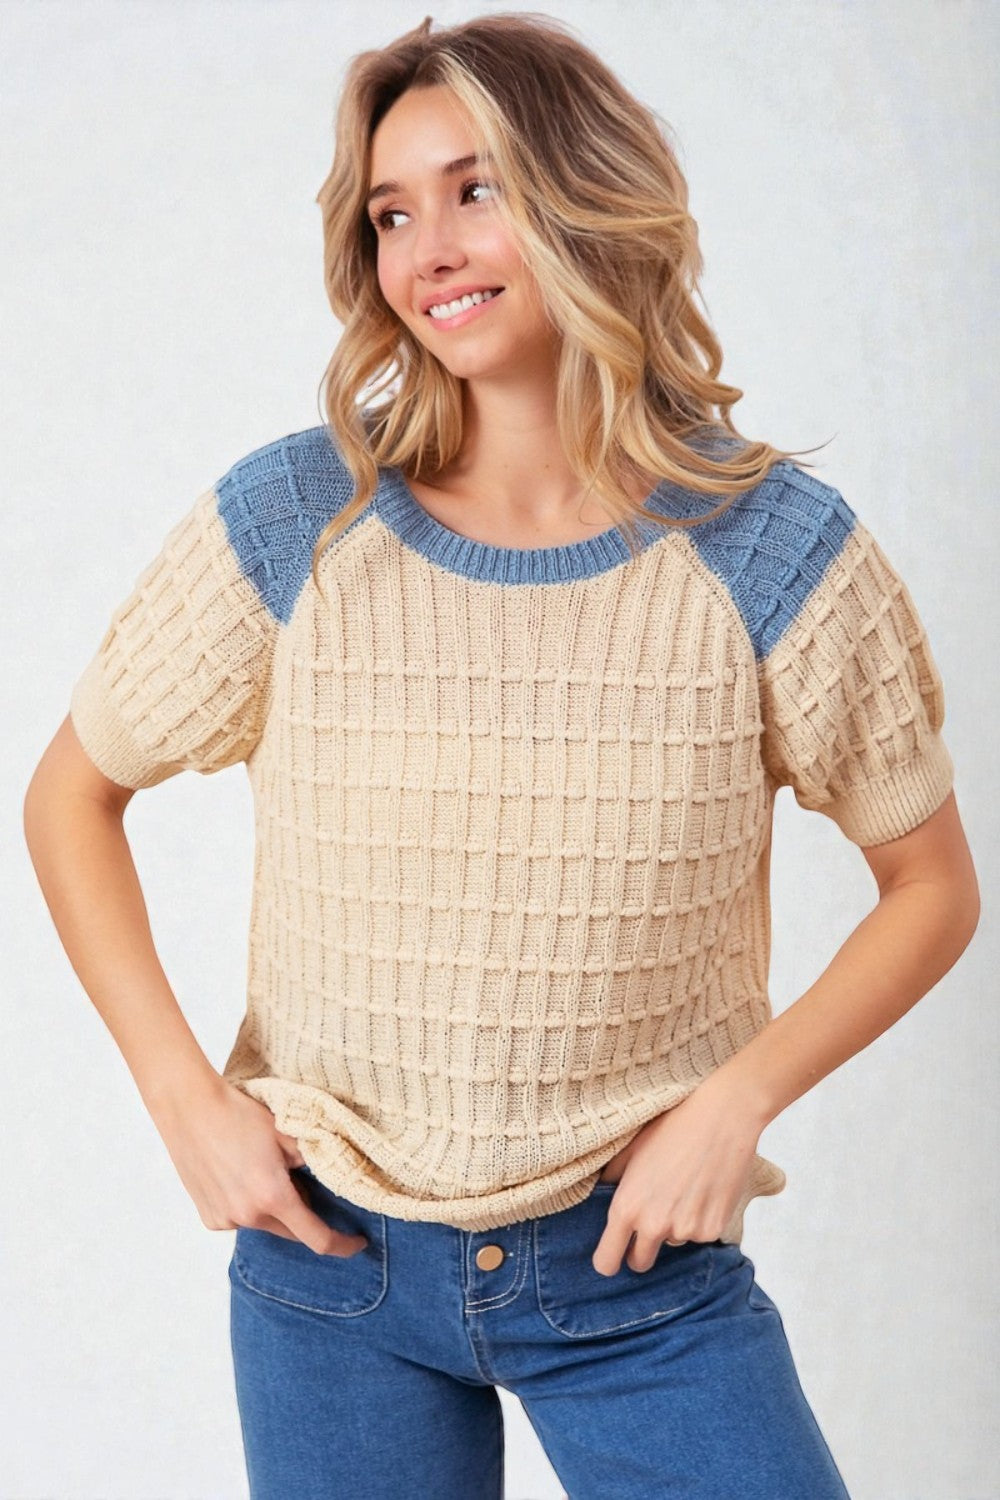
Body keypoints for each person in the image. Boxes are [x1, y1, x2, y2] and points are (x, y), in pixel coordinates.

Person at [23, 12, 979, 1500]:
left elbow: (931, 886)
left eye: (477, 190)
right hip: (327, 1272)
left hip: (633, 1272)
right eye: (393, 214)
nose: (429, 250)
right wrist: (181, 1100)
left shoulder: (775, 554)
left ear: (585, 192)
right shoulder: (295, 526)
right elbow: (71, 795)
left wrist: (735, 1104)